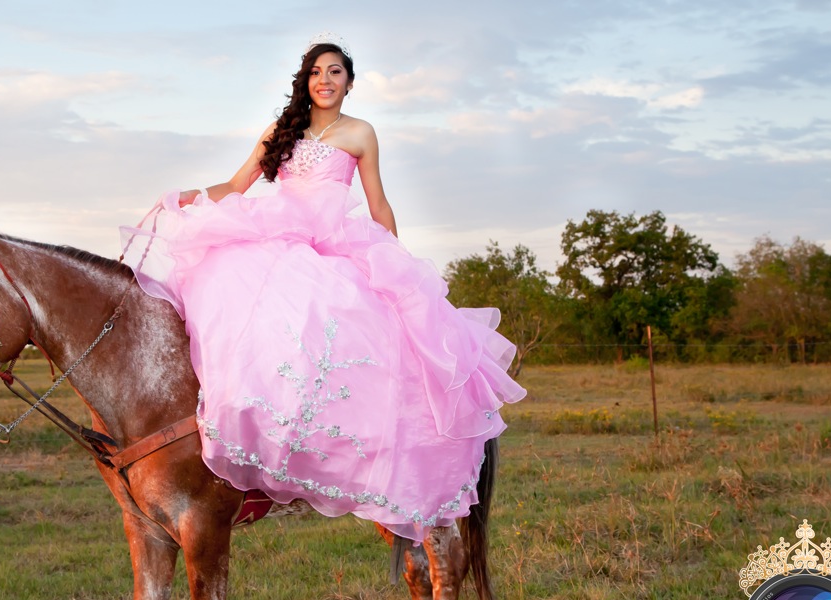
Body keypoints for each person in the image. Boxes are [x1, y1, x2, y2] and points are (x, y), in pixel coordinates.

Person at [119, 34, 526, 543]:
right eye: (316, 72)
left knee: (346, 331)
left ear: (349, 83)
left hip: (335, 242)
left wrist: (396, 268)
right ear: (305, 82)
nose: (325, 80)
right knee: (238, 307)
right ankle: (253, 438)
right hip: (278, 234)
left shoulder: (360, 133)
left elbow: (378, 204)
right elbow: (236, 184)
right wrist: (183, 197)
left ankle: (350, 451)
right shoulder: (282, 130)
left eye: (335, 72)